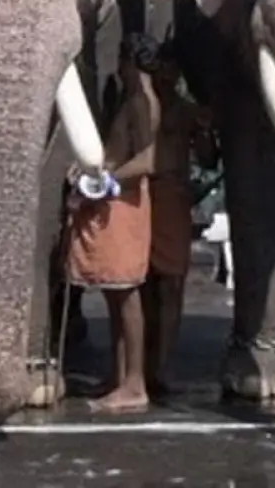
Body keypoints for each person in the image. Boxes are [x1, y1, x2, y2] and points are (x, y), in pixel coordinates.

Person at [62, 68, 160, 414]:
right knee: (115, 294)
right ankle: (119, 377)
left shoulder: (143, 103)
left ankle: (135, 384)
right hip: (115, 203)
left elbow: (148, 159)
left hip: (125, 203)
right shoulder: (132, 101)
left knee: (127, 292)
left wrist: (106, 180)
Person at [143, 68, 210, 400]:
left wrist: (205, 129)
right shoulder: (138, 105)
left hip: (173, 199)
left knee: (171, 284)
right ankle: (140, 365)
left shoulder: (185, 112)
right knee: (140, 285)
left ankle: (163, 365)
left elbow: (209, 159)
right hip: (141, 197)